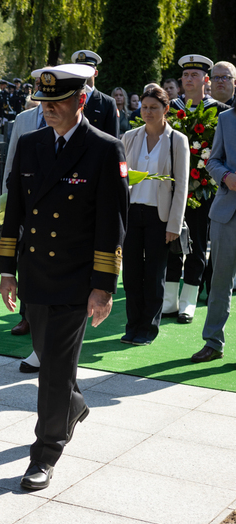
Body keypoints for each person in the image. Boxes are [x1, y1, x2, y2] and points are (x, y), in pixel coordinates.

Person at [0, 63, 128, 490]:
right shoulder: (32, 144)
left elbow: (112, 223)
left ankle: (45, 452)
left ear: (81, 101)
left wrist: (103, 286)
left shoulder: (104, 149)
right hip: (35, 272)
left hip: (75, 276)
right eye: (44, 102)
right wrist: (6, 270)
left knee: (53, 368)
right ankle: (72, 405)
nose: (48, 109)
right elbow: (14, 211)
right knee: (45, 352)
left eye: (57, 102)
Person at [164, 54, 231, 324]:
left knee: (198, 243)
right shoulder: (170, 108)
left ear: (206, 80)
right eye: (186, 75)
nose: (189, 79)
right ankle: (168, 299)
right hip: (172, 188)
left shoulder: (220, 111)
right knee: (169, 241)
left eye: (195, 75)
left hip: (205, 187)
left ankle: (188, 300)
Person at [120, 87, 189, 346]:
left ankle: (148, 328)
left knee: (154, 274)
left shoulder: (177, 140)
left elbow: (181, 185)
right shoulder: (129, 136)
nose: (147, 112)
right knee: (131, 274)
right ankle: (132, 324)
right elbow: (120, 177)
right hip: (131, 214)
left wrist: (173, 223)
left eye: (154, 108)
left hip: (159, 217)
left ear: (166, 109)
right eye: (145, 107)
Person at [1, 96, 47, 373]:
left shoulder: (101, 144)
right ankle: (27, 319)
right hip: (28, 205)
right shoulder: (24, 121)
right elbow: (13, 163)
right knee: (27, 263)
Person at [192, 106, 236, 363]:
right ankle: (213, 342)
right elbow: (212, 160)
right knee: (220, 282)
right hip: (227, 214)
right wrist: (227, 176)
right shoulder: (226, 118)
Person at [71, 50, 119, 138]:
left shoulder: (107, 103)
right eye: (80, 68)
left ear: (95, 73)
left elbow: (113, 138)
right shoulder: (69, 98)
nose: (83, 71)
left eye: (87, 67)